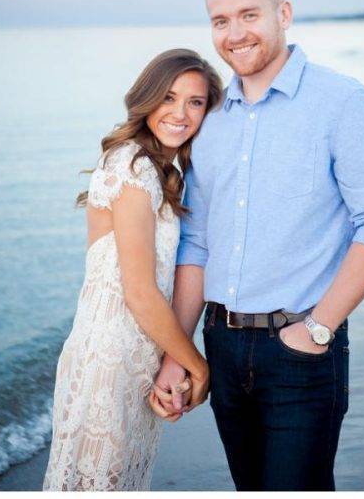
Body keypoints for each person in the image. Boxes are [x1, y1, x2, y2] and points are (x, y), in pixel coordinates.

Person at [152, 0, 364, 490]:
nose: (235, 33)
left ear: (283, 13)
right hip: (221, 345)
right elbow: (197, 243)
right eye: (220, 21)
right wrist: (177, 354)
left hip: (301, 348)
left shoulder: (341, 102)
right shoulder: (211, 120)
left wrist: (317, 330)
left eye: (250, 14)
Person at [42, 49, 223, 491]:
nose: (180, 113)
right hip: (110, 358)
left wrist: (169, 361)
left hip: (139, 355)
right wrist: (197, 367)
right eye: (168, 97)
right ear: (146, 99)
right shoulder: (132, 164)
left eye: (195, 102)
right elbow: (139, 292)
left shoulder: (166, 174)